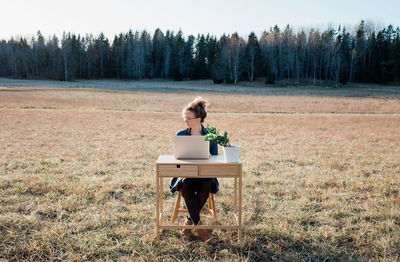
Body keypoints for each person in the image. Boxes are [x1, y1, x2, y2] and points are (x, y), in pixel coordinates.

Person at [169, 97, 219, 242]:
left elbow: (215, 158)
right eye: (185, 118)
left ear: (198, 119)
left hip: (205, 174)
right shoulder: (181, 135)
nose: (186, 121)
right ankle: (199, 228)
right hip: (186, 175)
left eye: (189, 118)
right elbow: (176, 158)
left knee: (206, 182)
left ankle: (189, 222)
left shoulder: (210, 136)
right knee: (186, 183)